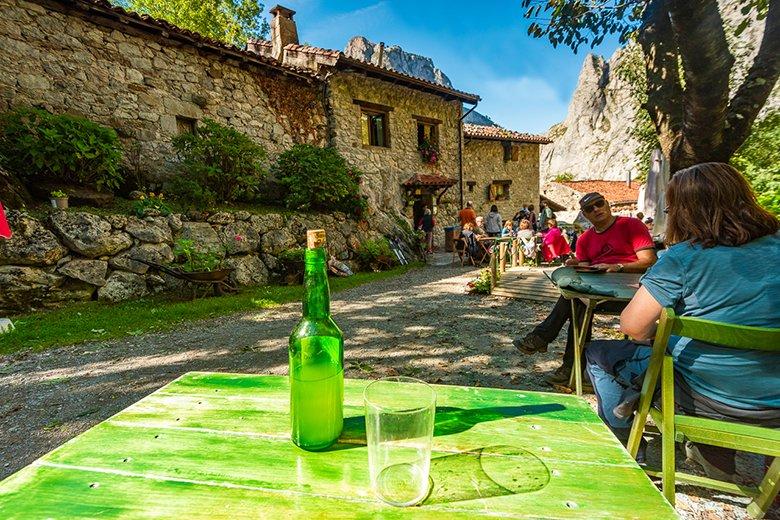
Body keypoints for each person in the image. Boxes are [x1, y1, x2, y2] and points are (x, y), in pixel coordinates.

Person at [586, 162, 779, 478]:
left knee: (598, 354)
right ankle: (751, 468)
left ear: (684, 211)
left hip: (707, 397)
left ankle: (622, 445)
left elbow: (632, 328)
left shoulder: (684, 258)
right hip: (775, 402)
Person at [514, 191, 657, 384]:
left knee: (575, 301)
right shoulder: (585, 239)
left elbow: (649, 261)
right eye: (590, 208)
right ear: (585, 214)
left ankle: (556, 353)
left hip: (633, 295)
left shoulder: (631, 225)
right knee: (576, 300)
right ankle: (568, 365)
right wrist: (577, 264)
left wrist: (619, 267)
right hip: (599, 293)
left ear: (607, 204)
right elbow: (587, 267)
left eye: (599, 204)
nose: (596, 209)